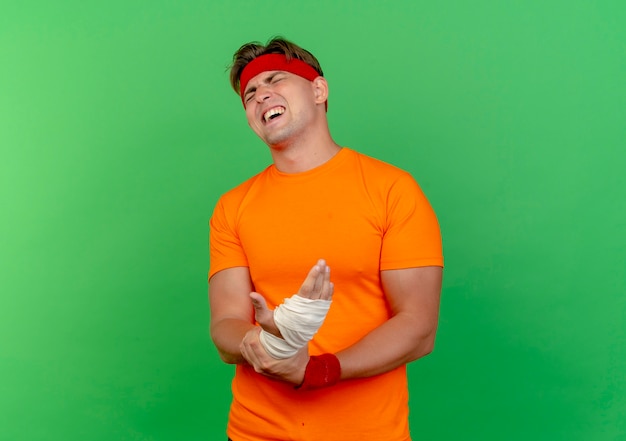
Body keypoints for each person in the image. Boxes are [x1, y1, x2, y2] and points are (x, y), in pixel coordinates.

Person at [208, 37, 444, 441]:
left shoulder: (392, 190)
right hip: (254, 432)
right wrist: (265, 342)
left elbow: (418, 328)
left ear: (319, 90)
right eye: (250, 94)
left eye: (275, 80)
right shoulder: (232, 207)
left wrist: (316, 369)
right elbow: (226, 323)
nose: (262, 95)